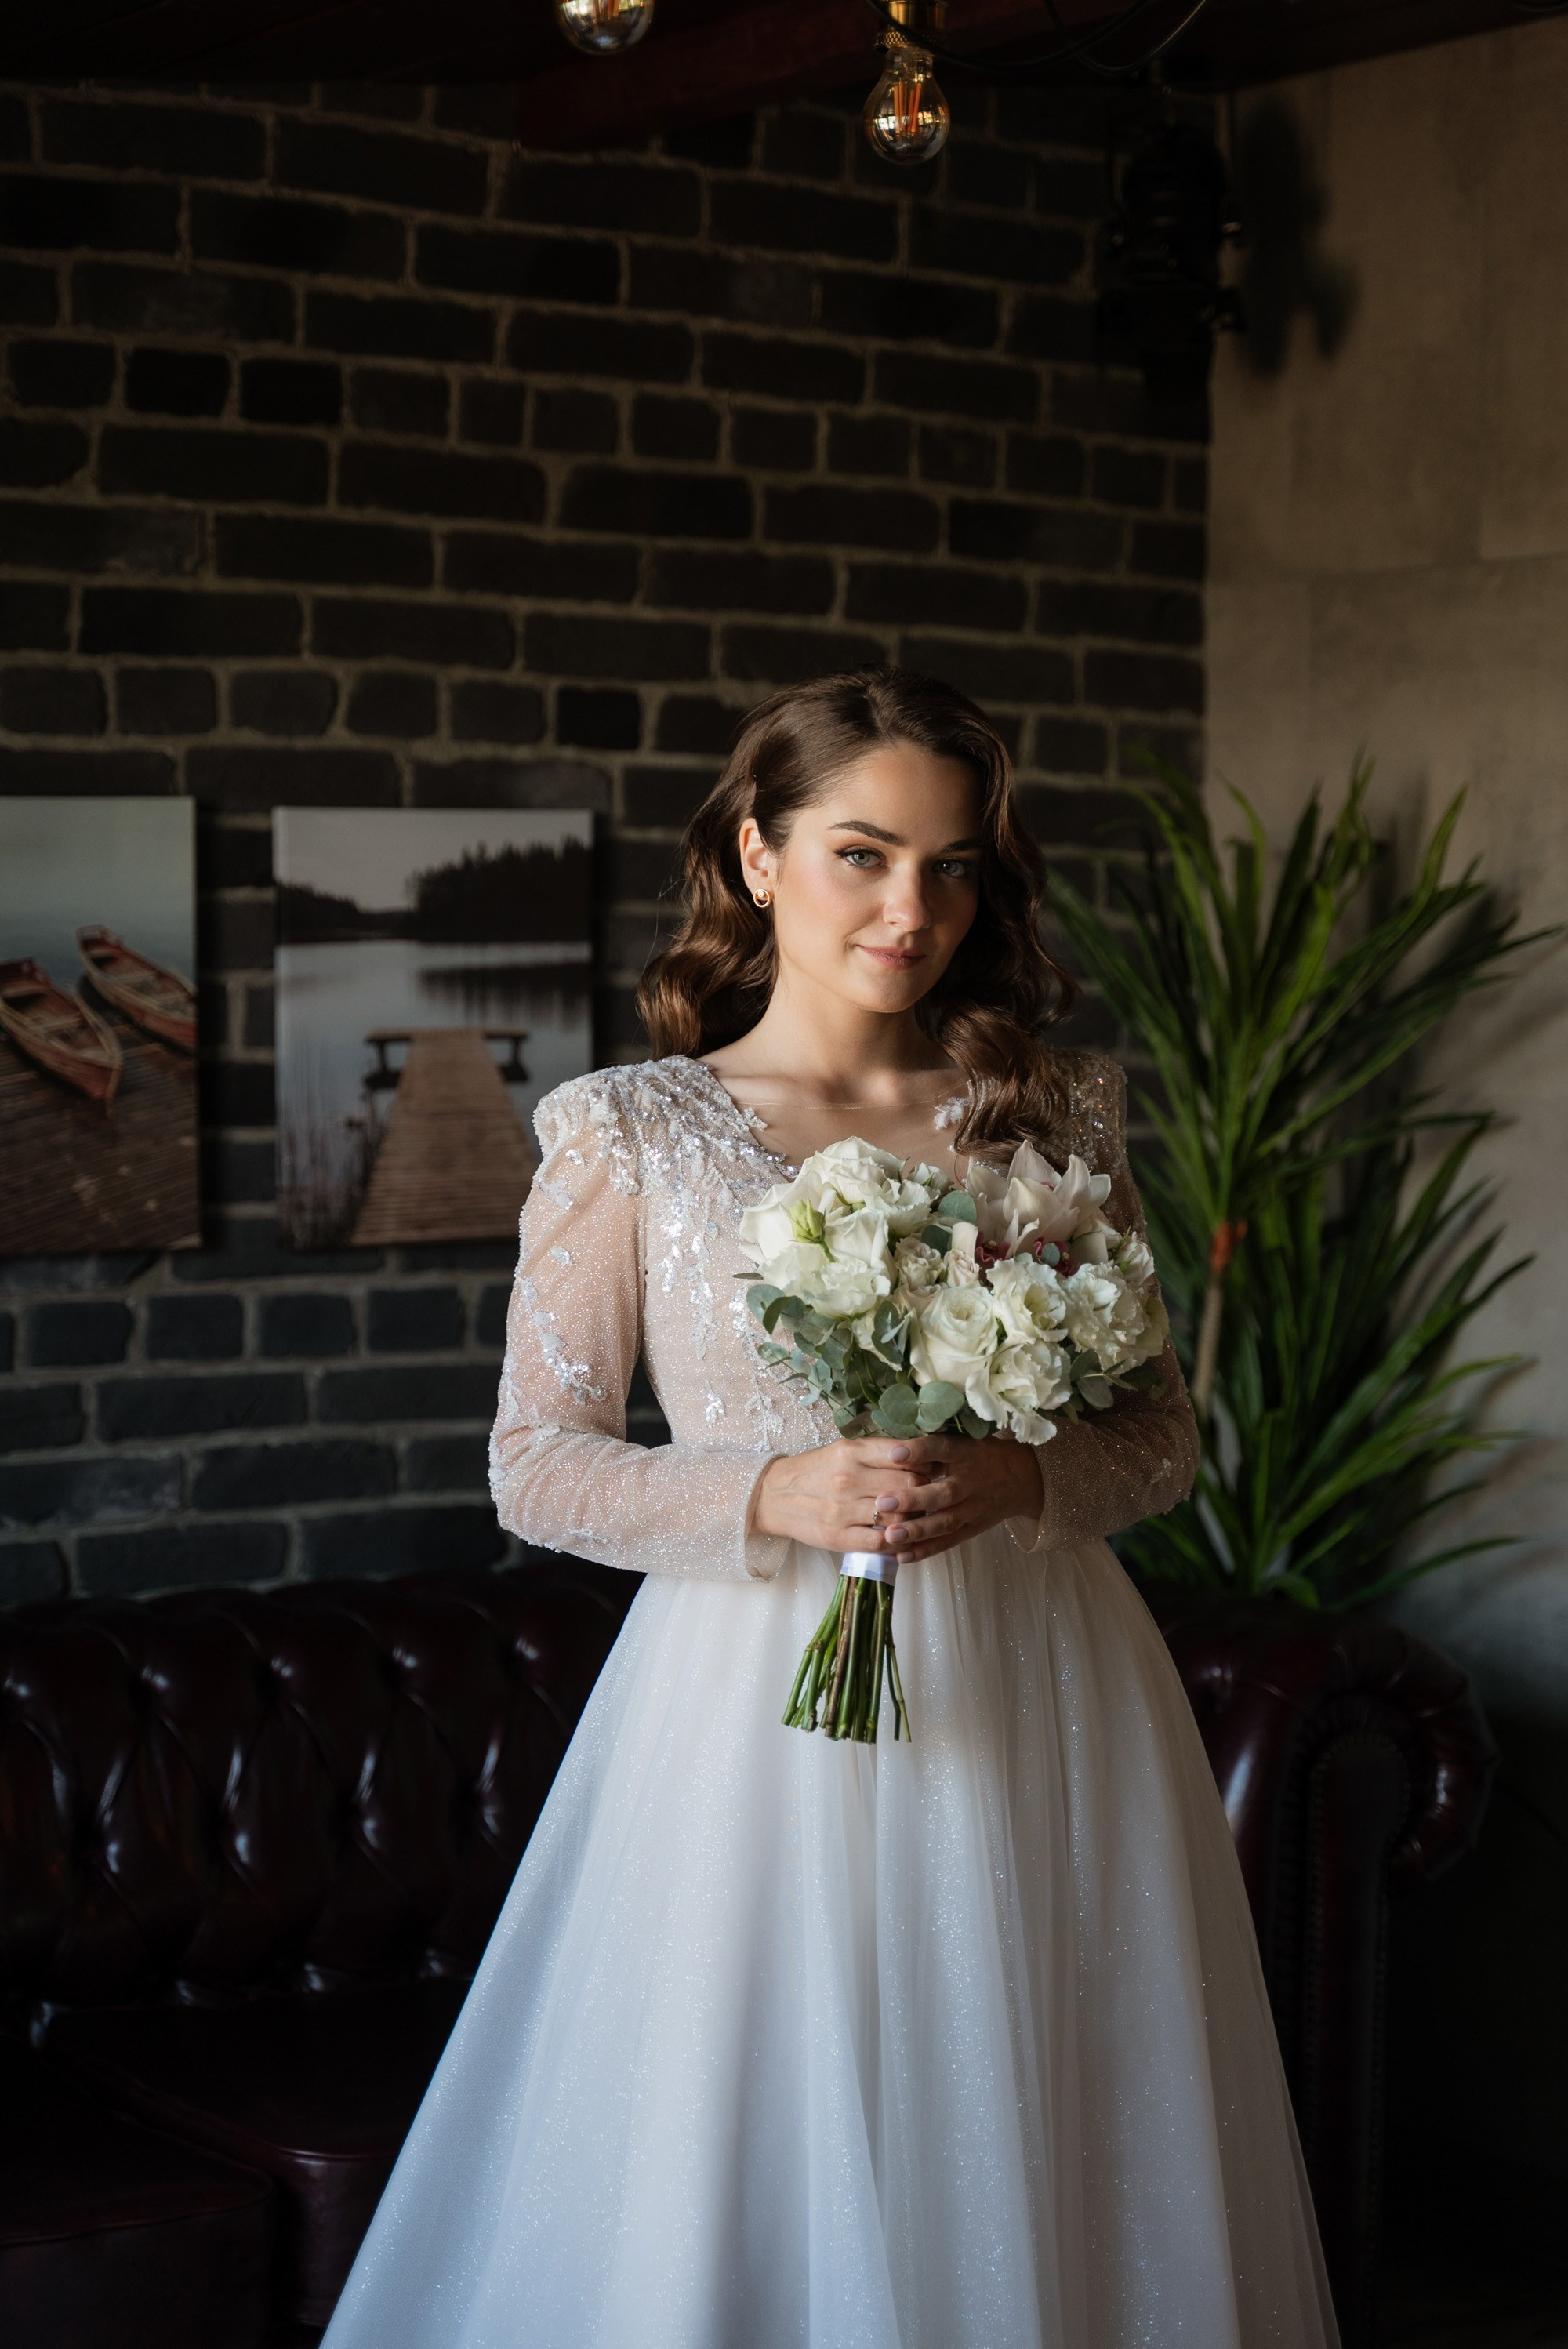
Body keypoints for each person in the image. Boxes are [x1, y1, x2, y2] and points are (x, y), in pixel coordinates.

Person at [321, 667, 1339, 2349]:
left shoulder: (1055, 1111)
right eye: (863, 853)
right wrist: (776, 1488)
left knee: (1052, 2105)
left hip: (1043, 1678)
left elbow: (1160, 1436)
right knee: (755, 2139)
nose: (911, 907)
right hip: (748, 1711)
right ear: (756, 854)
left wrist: (1020, 1475)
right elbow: (535, 1459)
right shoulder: (627, 1131)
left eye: (950, 868)